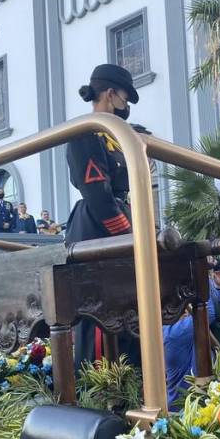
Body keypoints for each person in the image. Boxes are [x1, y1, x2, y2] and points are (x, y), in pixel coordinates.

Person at [65, 63, 140, 367]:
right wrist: (129, 235)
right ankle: (103, 400)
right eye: (125, 98)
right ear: (110, 94)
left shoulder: (115, 136)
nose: (127, 106)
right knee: (100, 322)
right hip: (98, 229)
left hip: (121, 220)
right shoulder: (87, 133)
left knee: (129, 319)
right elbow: (97, 195)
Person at [165, 280, 220, 408]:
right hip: (185, 409)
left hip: (192, 405)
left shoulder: (171, 331)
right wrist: (201, 272)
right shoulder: (174, 333)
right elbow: (210, 312)